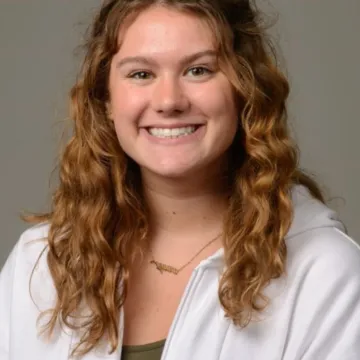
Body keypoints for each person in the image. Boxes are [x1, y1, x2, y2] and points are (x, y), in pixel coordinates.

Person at [1, 0, 360, 359]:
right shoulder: (40, 264)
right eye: (141, 74)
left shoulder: (325, 274)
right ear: (106, 100)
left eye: (199, 70)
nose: (169, 101)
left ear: (244, 88)